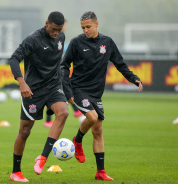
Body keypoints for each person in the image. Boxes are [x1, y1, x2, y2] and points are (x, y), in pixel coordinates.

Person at [61, 11, 142, 181]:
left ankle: (100, 172)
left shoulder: (107, 42)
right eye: (83, 27)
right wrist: (68, 91)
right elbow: (64, 66)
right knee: (92, 117)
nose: (85, 30)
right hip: (79, 89)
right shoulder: (76, 42)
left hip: (96, 93)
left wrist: (133, 78)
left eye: (88, 27)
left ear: (97, 24)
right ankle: (78, 140)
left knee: (98, 130)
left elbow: (120, 64)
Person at [8, 11, 68, 182]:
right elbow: (14, 59)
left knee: (63, 113)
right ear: (47, 23)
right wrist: (22, 82)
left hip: (53, 87)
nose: (56, 33)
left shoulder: (61, 37)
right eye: (54, 29)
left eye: (60, 29)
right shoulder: (33, 39)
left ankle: (42, 158)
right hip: (33, 90)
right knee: (25, 131)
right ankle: (16, 172)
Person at [44, 19, 82, 128]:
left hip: (57, 69)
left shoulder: (61, 36)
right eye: (64, 25)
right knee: (56, 92)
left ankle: (74, 110)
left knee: (60, 90)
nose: (65, 27)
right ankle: (48, 120)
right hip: (53, 70)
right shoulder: (55, 36)